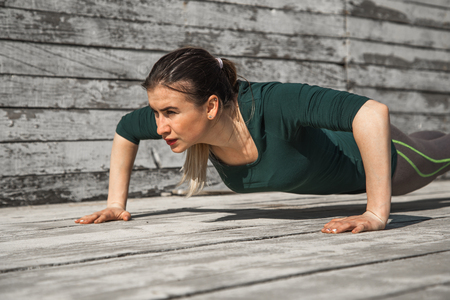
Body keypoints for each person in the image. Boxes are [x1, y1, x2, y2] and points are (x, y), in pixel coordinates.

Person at [75, 47, 450, 234]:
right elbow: (126, 128)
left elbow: (371, 113)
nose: (159, 126)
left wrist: (375, 213)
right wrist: (114, 203)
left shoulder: (273, 103)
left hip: (394, 160)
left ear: (210, 106)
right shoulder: (174, 112)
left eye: (169, 113)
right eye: (155, 112)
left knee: (440, 150)